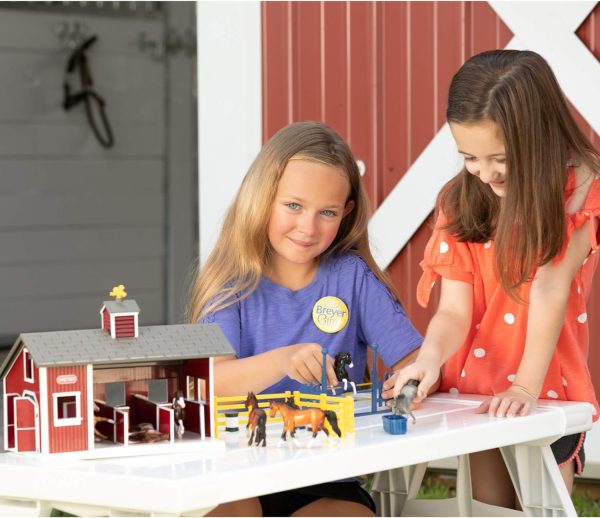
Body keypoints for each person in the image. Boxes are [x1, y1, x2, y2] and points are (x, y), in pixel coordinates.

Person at [384, 49, 600, 509]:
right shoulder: (462, 201)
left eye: (499, 157)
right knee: (491, 508)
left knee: (541, 503)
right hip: (478, 389)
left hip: (545, 386)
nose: (484, 173)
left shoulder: (581, 188)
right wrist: (430, 358)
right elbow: (453, 310)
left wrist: (524, 386)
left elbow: (549, 287)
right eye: (470, 158)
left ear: (537, 136)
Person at [189, 121, 423, 516]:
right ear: (262, 197)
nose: (307, 227)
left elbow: (415, 364)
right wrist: (282, 360)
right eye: (293, 206)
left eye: (327, 212)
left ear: (346, 212)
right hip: (238, 474)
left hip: (330, 480)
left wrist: (405, 385)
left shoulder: (351, 277)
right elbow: (211, 382)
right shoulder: (231, 283)